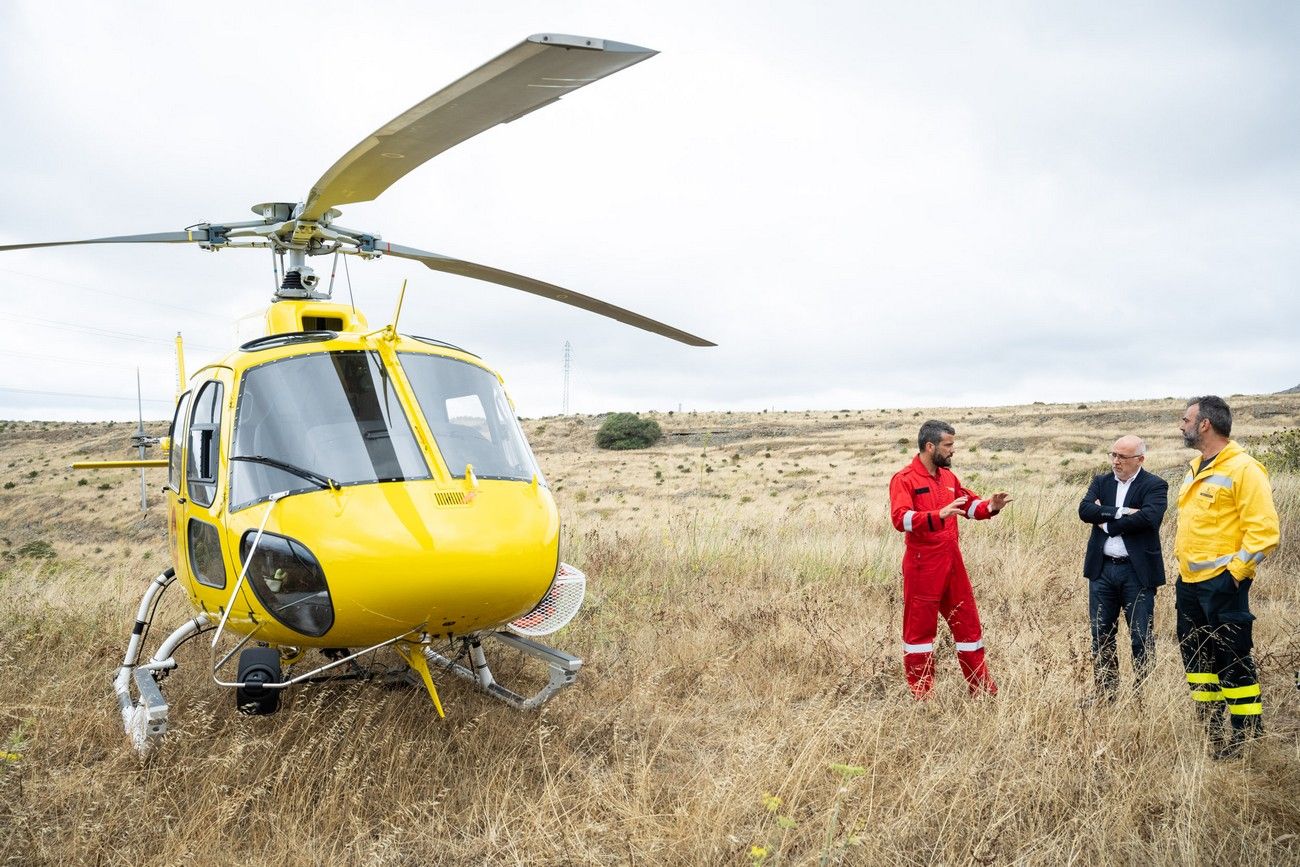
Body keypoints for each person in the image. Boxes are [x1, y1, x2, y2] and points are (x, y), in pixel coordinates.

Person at [1176, 396, 1280, 757]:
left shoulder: (1245, 469)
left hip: (1223, 584)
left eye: (1186, 418)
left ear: (1205, 424)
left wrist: (1235, 575)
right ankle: (1211, 730)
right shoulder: (1195, 466)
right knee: (1198, 661)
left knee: (1232, 660)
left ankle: (1246, 736)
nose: (1181, 424)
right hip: (1188, 583)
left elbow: (1264, 533)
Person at [889, 420, 1011, 699]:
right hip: (922, 565)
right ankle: (923, 696)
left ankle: (981, 691)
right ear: (930, 446)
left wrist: (991, 507)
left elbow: (968, 505)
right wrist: (937, 516)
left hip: (952, 563)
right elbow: (900, 518)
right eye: (948, 445)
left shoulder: (948, 478)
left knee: (969, 625)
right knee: (919, 634)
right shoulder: (904, 479)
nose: (953, 450)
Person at [1077, 435, 1168, 701]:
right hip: (1102, 571)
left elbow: (1149, 517)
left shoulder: (1155, 485)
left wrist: (1105, 520)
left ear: (1140, 459)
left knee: (1140, 636)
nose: (1116, 461)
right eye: (1113, 455)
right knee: (1101, 634)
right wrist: (1123, 512)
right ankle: (1106, 693)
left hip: (1136, 573)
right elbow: (1084, 511)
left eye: (1122, 457)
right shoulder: (1101, 481)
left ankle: (1143, 696)